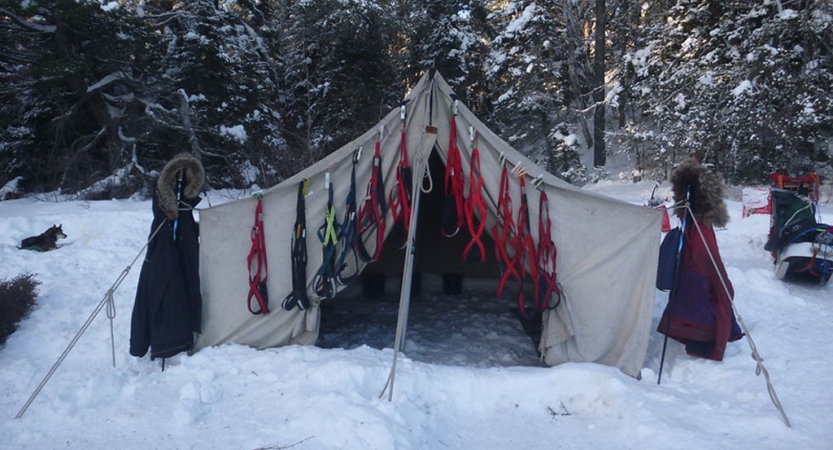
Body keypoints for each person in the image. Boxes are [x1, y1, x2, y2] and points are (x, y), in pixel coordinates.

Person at [657, 158, 743, 361]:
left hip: (697, 233)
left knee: (706, 281)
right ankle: (694, 332)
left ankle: (703, 335)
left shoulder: (701, 222)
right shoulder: (692, 220)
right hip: (693, 229)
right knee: (699, 282)